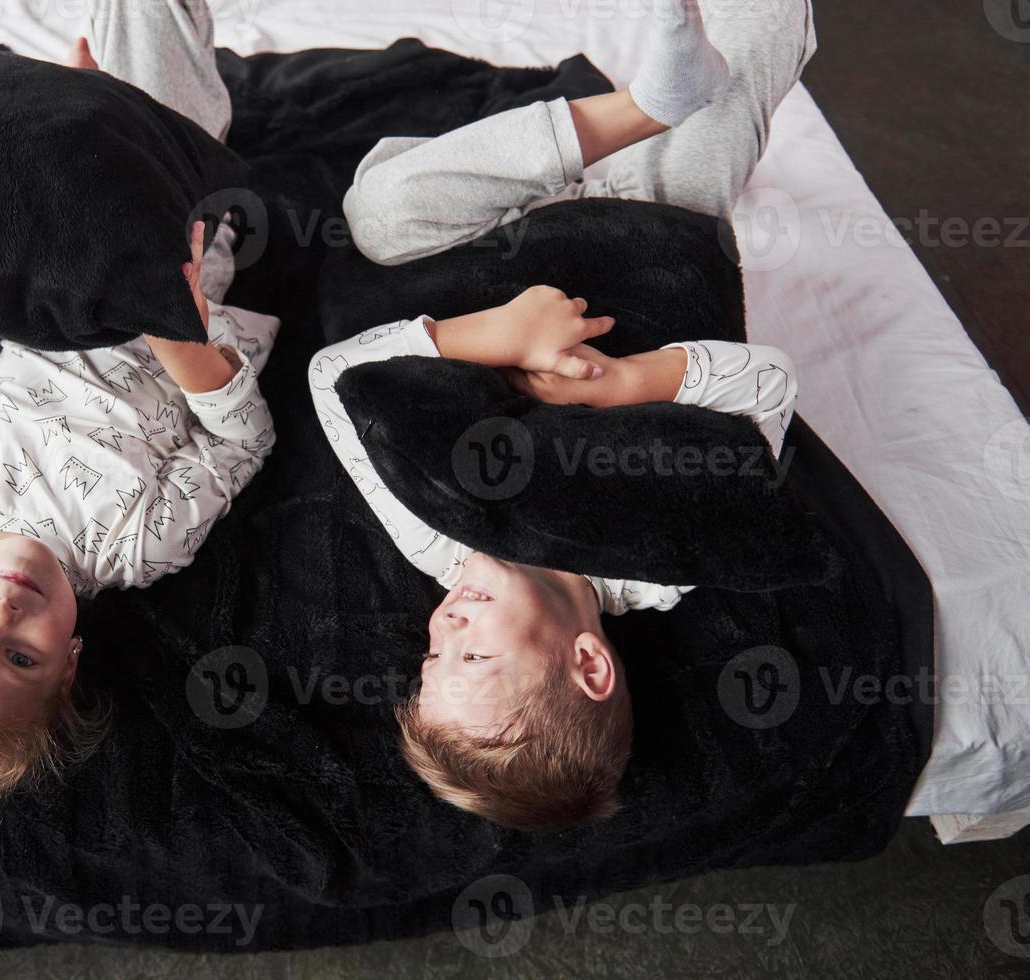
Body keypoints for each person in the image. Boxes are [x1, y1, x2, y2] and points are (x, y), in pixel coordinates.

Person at [309, 0, 814, 831]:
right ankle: (685, 95)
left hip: (491, 264)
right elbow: (767, 383)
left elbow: (339, 376)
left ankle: (641, 108)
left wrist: (499, 336)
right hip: (650, 234)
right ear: (587, 663)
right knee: (761, 36)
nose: (445, 623)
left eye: (433, 653)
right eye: (471, 652)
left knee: (377, 213)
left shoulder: (443, 541)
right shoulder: (665, 554)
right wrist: (622, 386)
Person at [0, 0, 277, 809]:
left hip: (41, 274)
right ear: (69, 659)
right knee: (157, 100)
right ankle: (111, 112)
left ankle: (82, 115)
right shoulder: (137, 547)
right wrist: (185, 345)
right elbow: (240, 445)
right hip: (168, 276)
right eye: (21, 659)